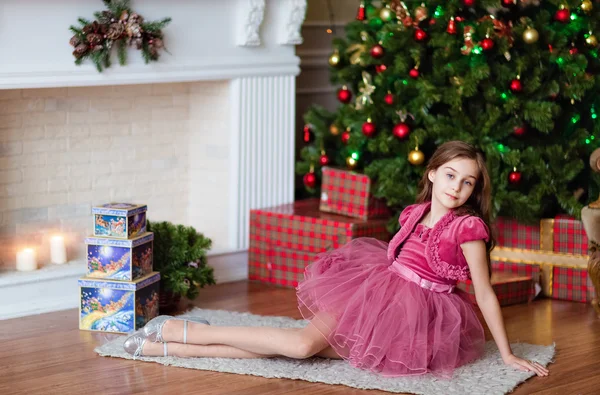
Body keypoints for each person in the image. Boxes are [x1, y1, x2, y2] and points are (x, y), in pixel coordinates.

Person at [123, 141, 549, 378]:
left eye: (468, 182)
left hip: (419, 316)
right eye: (451, 175)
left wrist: (507, 354)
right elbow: (397, 260)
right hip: (374, 294)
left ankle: (167, 348)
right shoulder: (411, 213)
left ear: (474, 191)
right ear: (433, 173)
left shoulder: (467, 228)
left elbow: (484, 292)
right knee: (302, 344)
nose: (457, 188)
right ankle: (188, 331)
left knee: (296, 353)